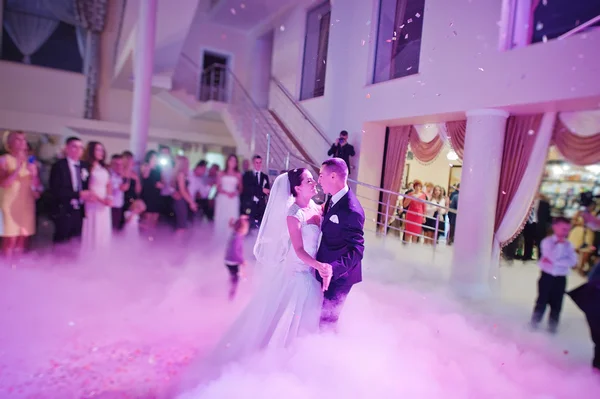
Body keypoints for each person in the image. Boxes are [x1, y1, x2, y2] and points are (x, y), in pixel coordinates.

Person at [174, 169, 332, 395]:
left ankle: (306, 373)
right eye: (309, 180)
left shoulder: (317, 207)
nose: (314, 182)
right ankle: (282, 376)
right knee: (286, 326)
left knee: (306, 328)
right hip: (298, 276)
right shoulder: (293, 213)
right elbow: (297, 249)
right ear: (297, 188)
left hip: (311, 277)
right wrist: (319, 266)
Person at [316, 157, 365, 328]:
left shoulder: (352, 210)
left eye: (321, 175)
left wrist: (332, 268)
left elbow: (357, 249)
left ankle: (326, 353)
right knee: (319, 316)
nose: (318, 180)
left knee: (327, 321)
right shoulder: (332, 197)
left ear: (333, 176)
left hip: (340, 276)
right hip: (325, 269)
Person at [530, 217, 578, 333]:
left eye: (567, 230)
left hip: (560, 279)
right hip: (546, 276)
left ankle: (552, 328)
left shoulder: (569, 245)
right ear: (554, 227)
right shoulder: (547, 242)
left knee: (557, 304)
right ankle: (534, 324)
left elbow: (573, 261)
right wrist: (561, 259)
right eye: (563, 229)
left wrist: (556, 261)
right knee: (541, 301)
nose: (565, 232)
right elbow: (551, 256)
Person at [0, 131, 40, 258]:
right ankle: (5, 269)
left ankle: (17, 267)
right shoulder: (4, 160)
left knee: (23, 239)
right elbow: (4, 183)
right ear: (9, 143)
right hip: (8, 204)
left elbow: (36, 187)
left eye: (24, 139)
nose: (22, 142)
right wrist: (18, 168)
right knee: (10, 238)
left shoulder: (31, 163)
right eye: (18, 139)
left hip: (25, 204)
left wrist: (34, 175)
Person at [49, 137, 92, 244]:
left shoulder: (84, 166)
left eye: (80, 148)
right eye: (74, 147)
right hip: (63, 209)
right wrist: (78, 194)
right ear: (67, 148)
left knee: (76, 242)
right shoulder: (59, 166)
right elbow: (55, 190)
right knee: (62, 242)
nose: (78, 150)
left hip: (79, 211)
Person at [81, 142, 112, 251]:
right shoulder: (86, 167)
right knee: (94, 227)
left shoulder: (103, 168)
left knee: (103, 228)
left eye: (102, 150)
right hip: (92, 201)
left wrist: (109, 197)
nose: (101, 152)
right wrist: (101, 200)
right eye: (98, 150)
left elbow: (108, 183)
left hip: (104, 202)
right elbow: (86, 186)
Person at [214, 154, 242, 238]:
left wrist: (235, 193)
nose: (232, 162)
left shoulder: (238, 174)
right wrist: (226, 193)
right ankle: (219, 238)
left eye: (234, 161)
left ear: (236, 163)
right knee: (222, 218)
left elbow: (240, 188)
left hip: (233, 199)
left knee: (232, 217)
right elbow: (218, 187)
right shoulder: (221, 173)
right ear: (227, 161)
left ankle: (231, 238)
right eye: (231, 160)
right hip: (223, 198)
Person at [241, 155, 270, 229]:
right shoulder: (247, 175)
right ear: (253, 163)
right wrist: (261, 190)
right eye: (256, 162)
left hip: (261, 205)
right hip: (250, 204)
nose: (258, 164)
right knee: (249, 225)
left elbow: (267, 190)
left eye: (260, 162)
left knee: (260, 227)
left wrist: (262, 191)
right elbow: (248, 189)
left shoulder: (265, 176)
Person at [224, 215, 250, 300]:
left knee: (233, 276)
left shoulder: (235, 233)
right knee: (235, 279)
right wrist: (242, 261)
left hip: (228, 260)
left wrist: (240, 220)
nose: (247, 229)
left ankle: (231, 291)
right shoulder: (238, 237)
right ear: (242, 229)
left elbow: (234, 226)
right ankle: (232, 296)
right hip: (233, 261)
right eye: (246, 227)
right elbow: (235, 251)